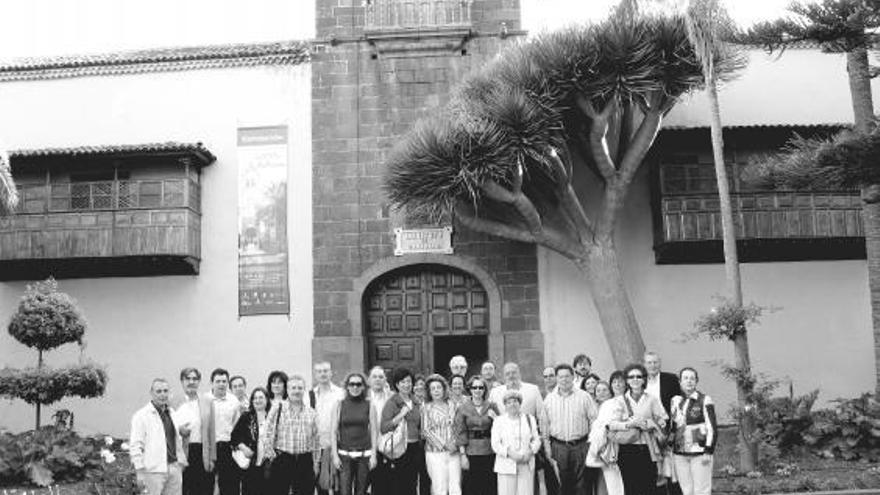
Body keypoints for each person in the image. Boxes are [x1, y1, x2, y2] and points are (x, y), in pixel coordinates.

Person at [608, 364, 668, 495]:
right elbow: (612, 424)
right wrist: (631, 424)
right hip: (627, 449)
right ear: (627, 380)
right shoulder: (619, 401)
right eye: (631, 377)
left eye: (639, 376)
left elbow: (663, 420)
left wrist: (651, 422)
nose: (635, 379)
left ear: (644, 379)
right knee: (630, 488)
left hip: (649, 449)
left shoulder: (652, 399)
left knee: (649, 487)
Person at [541, 364, 598, 495]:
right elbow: (544, 427)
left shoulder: (584, 396)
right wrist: (548, 450)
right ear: (556, 378)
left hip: (581, 446)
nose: (564, 379)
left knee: (583, 487)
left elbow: (594, 422)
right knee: (562, 487)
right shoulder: (549, 399)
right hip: (558, 447)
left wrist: (591, 445)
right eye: (561, 376)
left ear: (573, 377)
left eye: (567, 376)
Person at [260, 374, 320, 495]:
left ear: (304, 390)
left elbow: (316, 440)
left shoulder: (311, 412)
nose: (296, 391)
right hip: (282, 459)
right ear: (287, 390)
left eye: (299, 388)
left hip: (305, 461)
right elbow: (267, 432)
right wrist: (272, 456)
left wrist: (316, 462)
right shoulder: (278, 407)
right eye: (293, 388)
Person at [130, 378, 187, 495]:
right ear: (151, 393)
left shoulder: (172, 413)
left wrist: (180, 463)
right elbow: (136, 445)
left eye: (165, 391)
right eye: (159, 391)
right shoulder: (141, 416)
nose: (163, 394)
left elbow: (176, 439)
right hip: (153, 470)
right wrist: (139, 471)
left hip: (174, 468)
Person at [670, 368, 716, 495]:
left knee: (701, 490)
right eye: (685, 378)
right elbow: (673, 426)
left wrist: (708, 450)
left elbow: (712, 427)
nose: (689, 381)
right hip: (679, 452)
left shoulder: (705, 399)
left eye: (692, 378)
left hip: (700, 452)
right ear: (680, 381)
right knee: (687, 490)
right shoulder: (675, 401)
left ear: (696, 381)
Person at [331, 372, 378, 495]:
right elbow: (333, 431)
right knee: (344, 491)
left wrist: (374, 455)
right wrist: (335, 455)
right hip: (344, 455)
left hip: (365, 455)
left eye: (358, 384)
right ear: (347, 386)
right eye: (352, 384)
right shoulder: (339, 404)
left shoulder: (369, 404)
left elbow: (373, 431)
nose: (355, 387)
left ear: (363, 387)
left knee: (361, 491)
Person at [380, 367, 423, 495]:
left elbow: (419, 425)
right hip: (399, 448)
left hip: (415, 447)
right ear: (397, 385)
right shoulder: (392, 402)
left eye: (409, 381)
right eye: (402, 382)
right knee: (399, 484)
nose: (406, 385)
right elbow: (384, 427)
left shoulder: (416, 402)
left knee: (412, 482)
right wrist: (400, 416)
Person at [491, 390, 542, 495]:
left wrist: (530, 452)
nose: (512, 404)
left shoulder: (529, 418)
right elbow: (495, 444)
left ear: (520, 403)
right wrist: (511, 454)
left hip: (526, 463)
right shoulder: (499, 421)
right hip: (506, 465)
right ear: (505, 405)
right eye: (509, 402)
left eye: (515, 401)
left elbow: (536, 439)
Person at [454, 376, 499, 495]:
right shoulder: (463, 408)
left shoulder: (492, 406)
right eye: (475, 387)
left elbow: (501, 428)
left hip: (489, 451)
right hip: (471, 452)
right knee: (471, 487)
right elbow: (460, 432)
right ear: (470, 389)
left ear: (484, 390)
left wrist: (496, 419)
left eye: (481, 387)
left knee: (489, 486)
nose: (478, 390)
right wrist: (463, 455)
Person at [421, 374, 462, 495]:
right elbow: (426, 431)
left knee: (455, 486)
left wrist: (454, 444)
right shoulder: (426, 408)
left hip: (454, 452)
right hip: (435, 453)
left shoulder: (453, 405)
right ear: (429, 392)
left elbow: (459, 426)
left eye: (438, 387)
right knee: (439, 487)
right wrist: (444, 444)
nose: (436, 391)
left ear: (444, 389)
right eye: (432, 388)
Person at [174, 367, 212, 495]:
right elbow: (165, 428)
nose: (191, 382)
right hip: (181, 452)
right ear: (182, 381)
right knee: (183, 489)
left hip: (201, 452)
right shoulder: (173, 402)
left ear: (199, 381)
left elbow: (212, 430)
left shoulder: (206, 401)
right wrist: (179, 430)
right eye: (188, 378)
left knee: (203, 489)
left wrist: (213, 456)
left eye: (195, 379)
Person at [312, 361, 345, 495]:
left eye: (325, 371)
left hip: (337, 445)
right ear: (315, 375)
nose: (323, 374)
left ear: (331, 373)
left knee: (339, 485)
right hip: (317, 446)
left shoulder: (341, 393)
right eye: (319, 371)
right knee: (321, 485)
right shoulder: (309, 395)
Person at [585, 383, 624, 495]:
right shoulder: (599, 407)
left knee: (615, 484)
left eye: (604, 390)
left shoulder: (612, 404)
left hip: (610, 447)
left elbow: (604, 428)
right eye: (598, 391)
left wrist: (594, 451)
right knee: (608, 484)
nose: (601, 393)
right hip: (601, 448)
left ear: (610, 391)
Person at [231, 387, 270, 495]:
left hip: (269, 465)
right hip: (251, 464)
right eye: (255, 398)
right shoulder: (246, 417)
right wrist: (243, 447)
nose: (258, 400)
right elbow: (234, 436)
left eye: (261, 397)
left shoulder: (273, 417)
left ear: (267, 399)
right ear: (252, 401)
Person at [209, 368, 242, 495]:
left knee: (229, 486)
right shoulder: (205, 400)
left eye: (224, 381)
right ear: (212, 383)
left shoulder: (234, 401)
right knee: (207, 484)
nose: (221, 384)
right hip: (210, 447)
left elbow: (237, 424)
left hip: (228, 447)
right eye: (218, 381)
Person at [367, 366, 394, 495]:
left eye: (381, 377)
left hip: (385, 447)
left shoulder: (392, 397)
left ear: (385, 380)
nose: (378, 379)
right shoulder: (362, 397)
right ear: (369, 380)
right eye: (374, 376)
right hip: (365, 447)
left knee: (383, 485)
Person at [413, 374, 431, 495]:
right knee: (412, 475)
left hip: (427, 443)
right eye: (417, 384)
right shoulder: (408, 402)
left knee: (425, 474)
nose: (420, 387)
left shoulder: (430, 403)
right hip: (413, 443)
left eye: (422, 385)